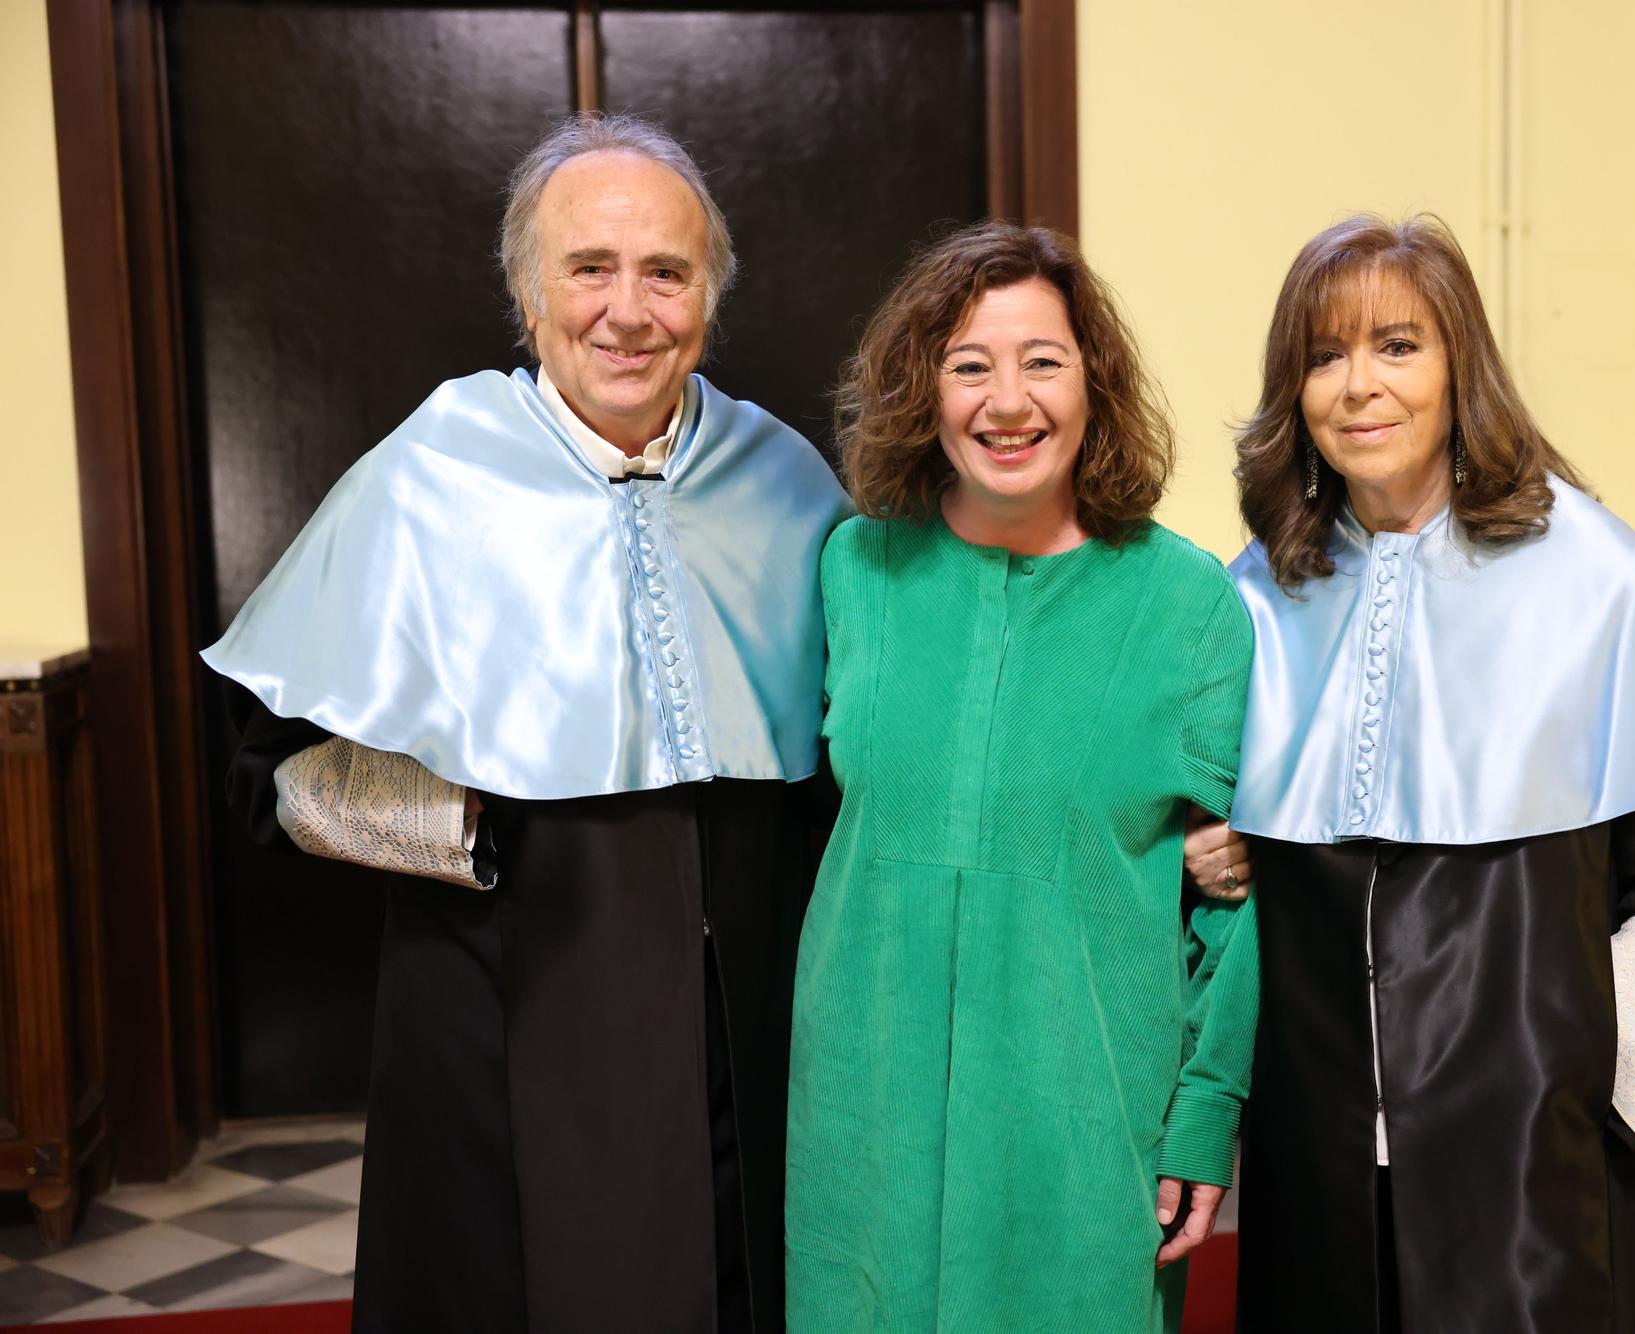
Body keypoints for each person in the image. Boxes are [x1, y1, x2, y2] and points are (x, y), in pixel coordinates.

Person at [202, 113, 849, 1332]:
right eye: (587, 268)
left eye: (665, 271)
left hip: (741, 1022)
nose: (628, 309)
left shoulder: (784, 476)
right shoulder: (431, 471)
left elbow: (852, 735)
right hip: (505, 998)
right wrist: (469, 814)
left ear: (708, 296)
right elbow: (263, 773)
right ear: (527, 291)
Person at [1218, 214, 1635, 1332]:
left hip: (1548, 1138)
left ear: (1458, 368)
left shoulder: (1593, 575)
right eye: (1323, 355)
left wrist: (1590, 1079)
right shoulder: (1257, 591)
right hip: (1328, 1138)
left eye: (1396, 345)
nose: (1357, 385)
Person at [785, 222, 1258, 1332]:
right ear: (923, 392)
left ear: (1093, 379)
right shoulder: (853, 570)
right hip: (864, 1111)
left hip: (1083, 1119)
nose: (1007, 401)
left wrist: (1202, 1115)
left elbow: (1242, 901)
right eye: (968, 365)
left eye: (1041, 360)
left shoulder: (1186, 604)